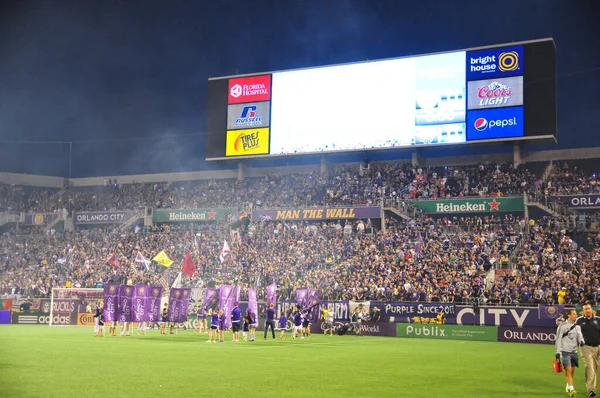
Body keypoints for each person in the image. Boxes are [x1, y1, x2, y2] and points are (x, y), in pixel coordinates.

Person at [556, 309, 585, 397]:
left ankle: (568, 385)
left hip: (574, 352)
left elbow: (580, 337)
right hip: (565, 351)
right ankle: (572, 389)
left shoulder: (577, 327)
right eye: (574, 314)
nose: (575, 315)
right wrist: (557, 352)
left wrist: (582, 342)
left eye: (576, 314)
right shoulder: (562, 326)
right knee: (568, 369)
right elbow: (558, 339)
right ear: (568, 315)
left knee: (572, 371)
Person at [576, 303, 600, 397]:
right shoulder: (579, 320)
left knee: (595, 368)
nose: (587, 310)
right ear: (583, 311)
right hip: (585, 347)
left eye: (589, 308)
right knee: (589, 367)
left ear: (591, 309)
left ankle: (592, 388)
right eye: (585, 309)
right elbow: (574, 333)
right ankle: (591, 389)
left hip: (598, 347)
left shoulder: (598, 320)